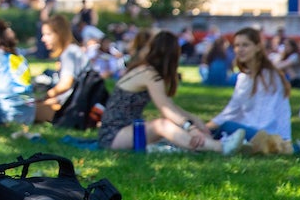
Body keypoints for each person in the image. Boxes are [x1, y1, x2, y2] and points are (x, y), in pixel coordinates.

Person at [98, 30, 245, 154]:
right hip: (113, 136)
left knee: (171, 125)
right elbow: (166, 109)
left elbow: (169, 105)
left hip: (124, 131)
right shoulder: (150, 75)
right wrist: (191, 127)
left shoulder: (145, 69)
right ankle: (221, 147)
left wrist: (194, 120)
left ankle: (215, 143)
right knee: (162, 125)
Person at [207, 27, 292, 142]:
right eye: (237, 45)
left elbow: (265, 120)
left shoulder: (269, 77)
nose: (240, 49)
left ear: (257, 47)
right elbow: (232, 110)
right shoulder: (243, 77)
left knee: (226, 127)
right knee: (210, 130)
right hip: (250, 131)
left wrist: (206, 128)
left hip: (269, 135)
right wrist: (205, 128)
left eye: (245, 45)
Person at [33, 15, 87, 123]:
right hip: (77, 104)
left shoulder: (69, 53)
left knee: (29, 110)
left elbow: (65, 85)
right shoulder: (72, 51)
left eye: (48, 34)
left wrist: (46, 96)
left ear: (59, 34)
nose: (43, 39)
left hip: (74, 108)